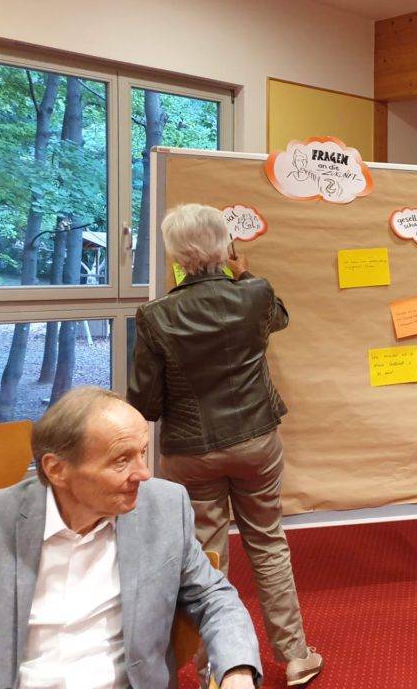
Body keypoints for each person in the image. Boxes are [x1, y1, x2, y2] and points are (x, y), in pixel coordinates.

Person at [127, 203, 323, 686]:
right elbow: (278, 319)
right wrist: (244, 272)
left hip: (190, 450)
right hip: (257, 441)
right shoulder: (255, 294)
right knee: (268, 541)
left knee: (204, 558)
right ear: (227, 247)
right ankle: (296, 656)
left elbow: (144, 403)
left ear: (175, 256)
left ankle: (214, 668)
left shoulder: (155, 315)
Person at [0, 386, 261, 689]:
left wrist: (237, 668)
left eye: (142, 452)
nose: (144, 474)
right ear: (57, 470)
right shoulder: (2, 519)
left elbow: (212, 596)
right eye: (121, 460)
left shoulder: (162, 507)